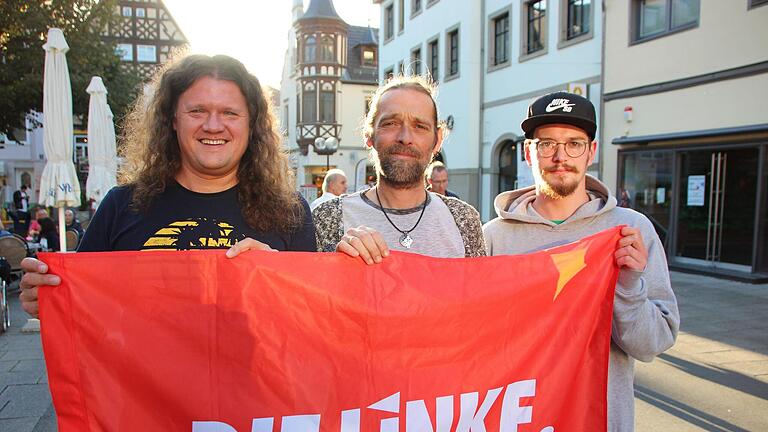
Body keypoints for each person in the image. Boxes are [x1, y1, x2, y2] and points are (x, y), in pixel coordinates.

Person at [19, 54, 317, 317]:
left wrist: (279, 277)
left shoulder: (290, 211)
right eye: (197, 111)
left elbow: (309, 318)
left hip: (252, 380)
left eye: (230, 113)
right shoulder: (121, 205)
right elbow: (81, 304)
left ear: (251, 125)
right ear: (173, 119)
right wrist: (46, 295)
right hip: (142, 381)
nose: (213, 125)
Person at [482, 91, 679, 431]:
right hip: (518, 418)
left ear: (591, 152)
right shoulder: (493, 237)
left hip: (599, 420)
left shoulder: (630, 230)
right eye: (546, 144)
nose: (560, 156)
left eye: (574, 143)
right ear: (529, 152)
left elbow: (651, 345)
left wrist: (628, 286)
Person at [313, 76, 485, 262]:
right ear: (369, 135)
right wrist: (337, 263)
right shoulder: (328, 217)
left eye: (420, 126)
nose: (405, 137)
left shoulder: (464, 220)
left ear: (438, 139)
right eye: (391, 123)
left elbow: (482, 290)